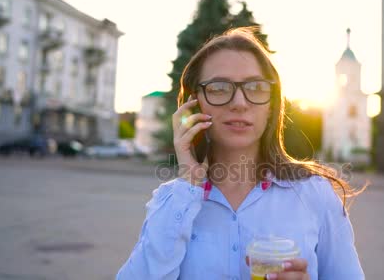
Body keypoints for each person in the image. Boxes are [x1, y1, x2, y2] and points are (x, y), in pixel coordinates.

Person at [116, 28, 366, 279]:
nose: (239, 102)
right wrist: (188, 181)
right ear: (194, 104)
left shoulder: (315, 195)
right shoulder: (172, 201)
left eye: (256, 87)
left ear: (271, 106)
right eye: (219, 87)